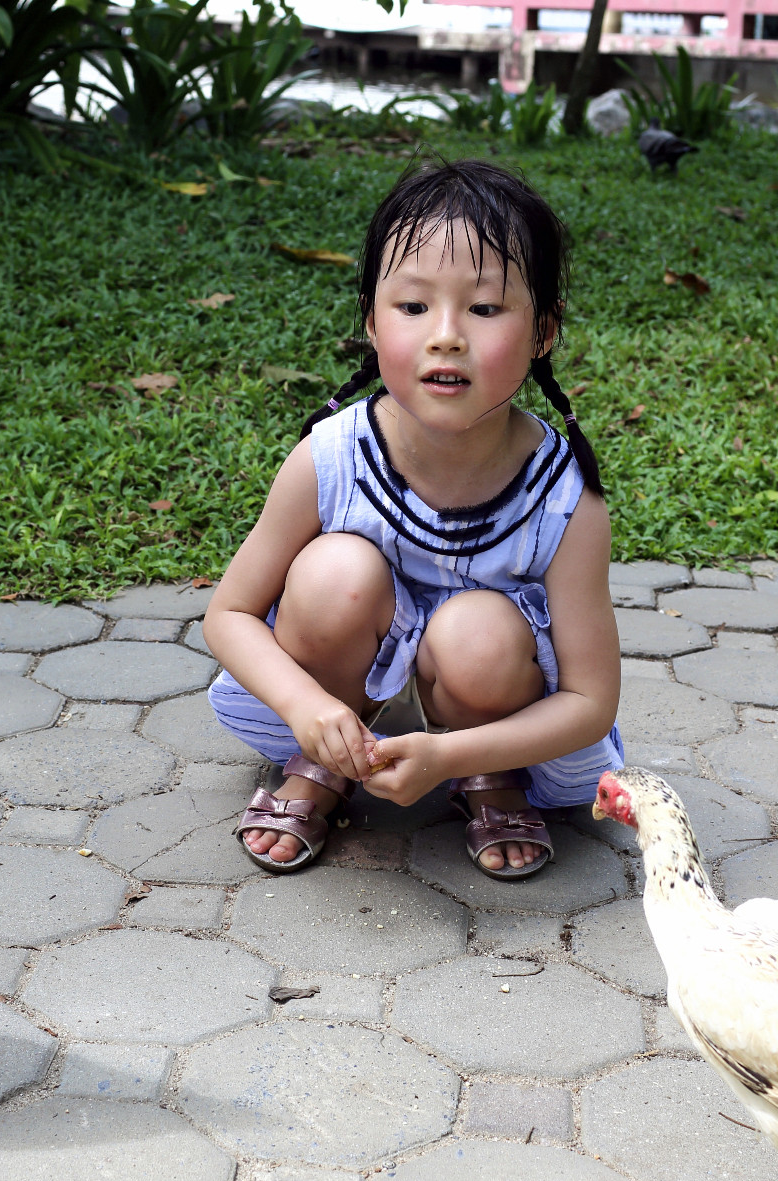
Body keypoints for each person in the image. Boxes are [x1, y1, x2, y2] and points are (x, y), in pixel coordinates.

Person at [202, 159, 622, 881]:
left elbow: (591, 701)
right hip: (336, 674)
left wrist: (448, 756)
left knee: (479, 632)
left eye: (485, 309)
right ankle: (326, 758)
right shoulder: (329, 458)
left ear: (543, 331)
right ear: (369, 319)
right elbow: (228, 615)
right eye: (413, 307)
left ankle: (492, 773)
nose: (447, 336)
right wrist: (304, 705)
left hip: (491, 697)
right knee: (335, 574)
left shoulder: (565, 497)